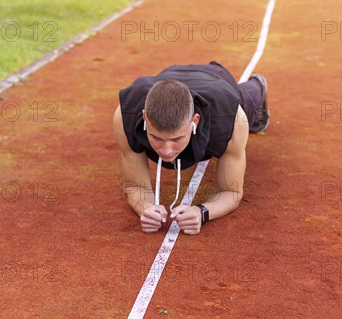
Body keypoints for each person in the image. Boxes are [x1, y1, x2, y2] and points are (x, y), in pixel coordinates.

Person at [113, 61, 269, 235]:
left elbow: (231, 192)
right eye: (156, 137)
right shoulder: (126, 114)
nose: (166, 151)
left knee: (247, 100)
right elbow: (136, 187)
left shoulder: (229, 118)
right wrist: (145, 208)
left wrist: (201, 212)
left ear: (194, 121)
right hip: (170, 77)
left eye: (176, 139)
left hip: (217, 80)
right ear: (144, 117)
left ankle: (257, 86)